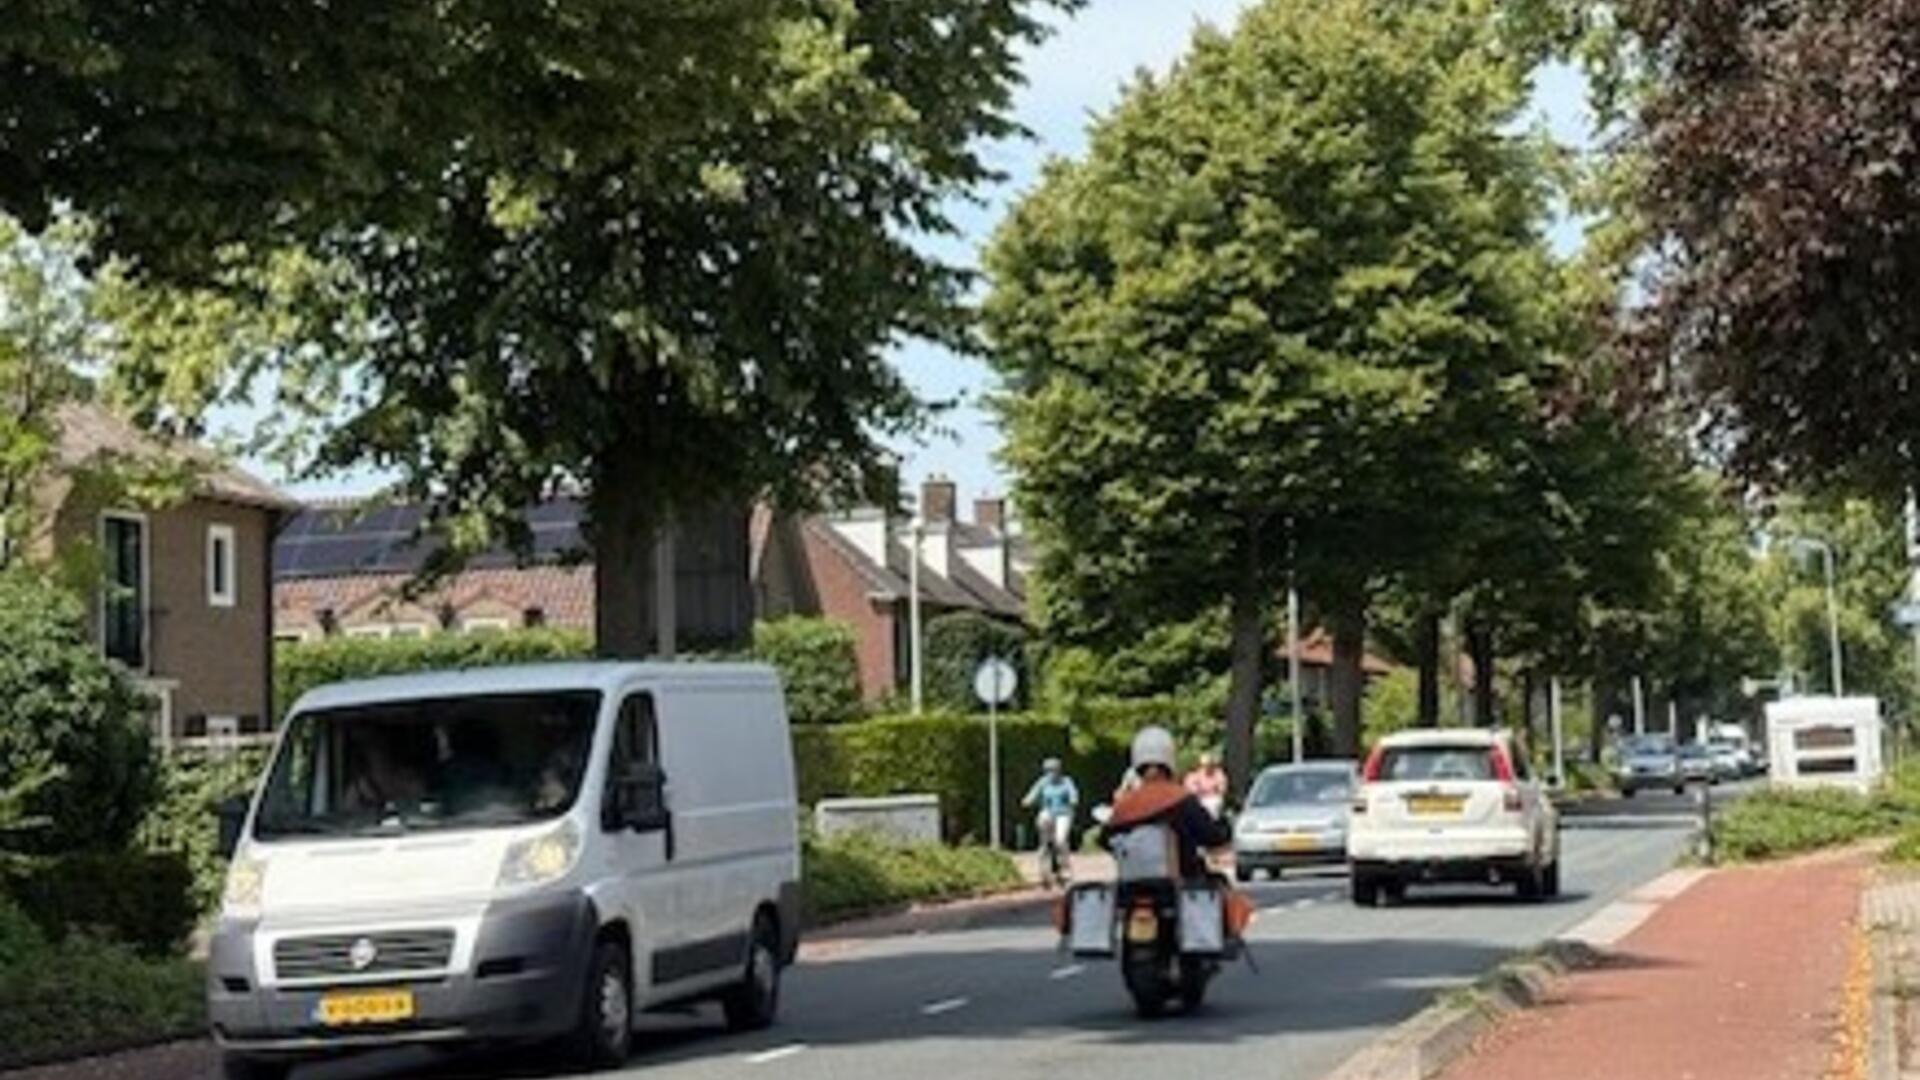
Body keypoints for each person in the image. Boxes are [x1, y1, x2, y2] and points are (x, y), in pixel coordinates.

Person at [1104, 727, 1232, 880]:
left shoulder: (1124, 805)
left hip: (1130, 892)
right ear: (1169, 759)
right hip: (1183, 890)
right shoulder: (1182, 800)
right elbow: (1213, 839)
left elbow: (1105, 839)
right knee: (1227, 892)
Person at [1022, 758, 1079, 882]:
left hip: (1063, 814)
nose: (1051, 773)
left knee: (1060, 839)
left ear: (1059, 770)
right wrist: (1028, 800)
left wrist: (1073, 799)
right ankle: (1044, 864)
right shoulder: (1043, 782)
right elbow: (1033, 792)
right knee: (1042, 822)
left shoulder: (1066, 781)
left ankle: (1065, 865)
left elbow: (1073, 794)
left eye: (1053, 770)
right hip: (1048, 812)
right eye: (1048, 770)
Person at [1183, 752, 1230, 819]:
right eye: (1204, 765)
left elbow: (1222, 788)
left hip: (1212, 799)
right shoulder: (1194, 774)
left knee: (1214, 804)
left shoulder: (1218, 773)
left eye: (1209, 764)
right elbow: (1190, 788)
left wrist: (1214, 788)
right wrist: (1199, 789)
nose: (1207, 767)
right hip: (1198, 799)